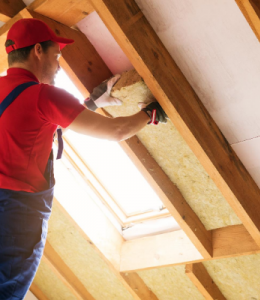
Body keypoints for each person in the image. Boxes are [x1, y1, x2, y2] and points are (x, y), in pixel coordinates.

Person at [0, 18, 167, 300]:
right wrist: (151, 113)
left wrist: (91, 104)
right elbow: (117, 130)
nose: (58, 65)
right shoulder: (44, 95)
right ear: (38, 50)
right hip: (16, 216)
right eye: (57, 56)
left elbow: (31, 127)